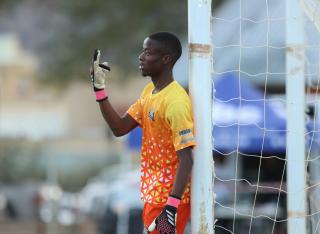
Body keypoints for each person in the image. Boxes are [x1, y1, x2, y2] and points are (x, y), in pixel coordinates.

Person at [90, 31, 195, 234]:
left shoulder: (176, 102)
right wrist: (99, 89)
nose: (141, 57)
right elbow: (119, 128)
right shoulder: (149, 92)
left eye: (148, 52)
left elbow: (187, 159)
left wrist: (171, 207)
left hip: (167, 200)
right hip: (152, 195)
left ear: (166, 59)